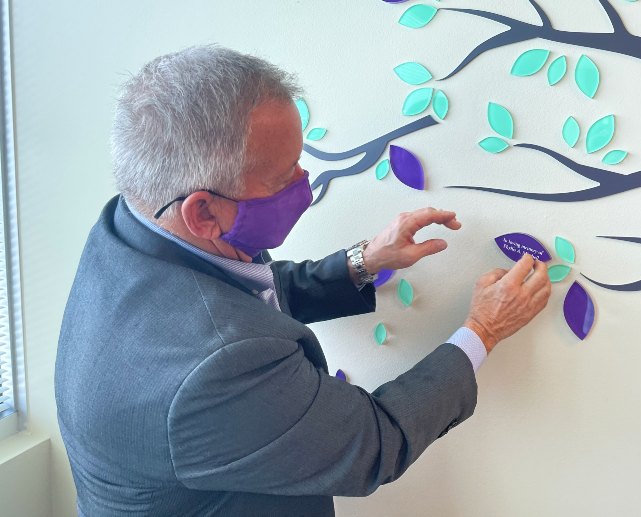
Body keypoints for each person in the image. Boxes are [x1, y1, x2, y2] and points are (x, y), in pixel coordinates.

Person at [55, 45, 551, 516]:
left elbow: (236, 296)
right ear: (202, 211)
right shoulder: (213, 369)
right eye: (283, 176)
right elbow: (375, 442)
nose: (304, 179)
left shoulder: (131, 228)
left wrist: (365, 260)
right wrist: (483, 330)